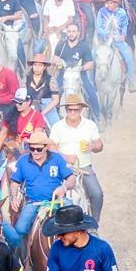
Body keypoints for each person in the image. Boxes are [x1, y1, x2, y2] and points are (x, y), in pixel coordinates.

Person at [7, 129, 74, 240]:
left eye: (39, 149)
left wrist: (64, 187)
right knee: (20, 229)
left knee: (76, 221)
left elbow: (71, 178)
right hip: (34, 202)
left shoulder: (57, 158)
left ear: (46, 147)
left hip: (58, 200)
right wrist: (13, 196)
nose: (35, 152)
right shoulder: (23, 161)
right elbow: (15, 182)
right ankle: (21, 250)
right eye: (32, 149)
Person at [48, 94, 106, 223]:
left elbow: (100, 145)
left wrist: (92, 146)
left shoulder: (90, 125)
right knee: (50, 194)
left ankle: (94, 223)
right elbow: (51, 148)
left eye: (76, 109)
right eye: (70, 109)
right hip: (63, 168)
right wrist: (65, 157)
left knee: (97, 194)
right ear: (66, 110)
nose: (73, 112)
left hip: (84, 168)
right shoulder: (57, 127)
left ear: (81, 110)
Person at [54, 22, 101, 118]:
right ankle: (54, 117)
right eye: (69, 31)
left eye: (73, 31)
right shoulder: (61, 45)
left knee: (91, 94)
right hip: (63, 75)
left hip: (80, 75)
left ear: (78, 33)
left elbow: (90, 64)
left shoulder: (84, 46)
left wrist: (81, 68)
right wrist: (57, 61)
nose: (71, 34)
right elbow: (54, 58)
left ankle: (97, 115)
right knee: (53, 93)